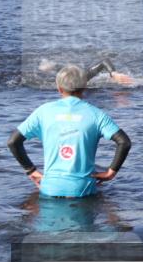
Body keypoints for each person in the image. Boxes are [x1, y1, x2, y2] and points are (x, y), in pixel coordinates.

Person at [8, 65, 131, 198]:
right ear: (84, 87)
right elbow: (124, 142)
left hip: (49, 189)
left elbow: (13, 142)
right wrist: (110, 173)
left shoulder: (43, 111)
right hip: (82, 190)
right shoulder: (97, 114)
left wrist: (30, 170)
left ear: (59, 88)